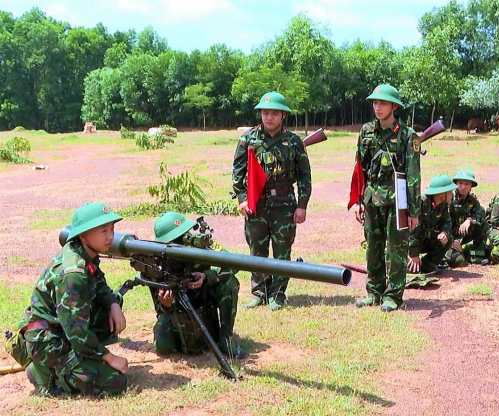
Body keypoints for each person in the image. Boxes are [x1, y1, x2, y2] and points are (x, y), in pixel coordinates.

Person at [13, 203, 129, 396]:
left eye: (112, 229)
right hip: (48, 340)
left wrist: (114, 305)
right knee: (116, 381)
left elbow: (99, 283)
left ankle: (76, 360)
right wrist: (108, 357)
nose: (110, 236)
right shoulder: (73, 273)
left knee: (108, 305)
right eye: (103, 231)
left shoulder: (86, 252)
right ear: (83, 235)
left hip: (63, 329)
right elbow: (77, 332)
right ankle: (46, 371)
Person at [231, 91, 312, 310]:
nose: (269, 117)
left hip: (284, 203)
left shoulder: (294, 141)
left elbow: (305, 175)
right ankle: (259, 292)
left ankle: (278, 294)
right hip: (257, 202)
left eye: (274, 113)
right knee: (256, 249)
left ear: (283, 115)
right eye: (266, 113)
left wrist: (302, 205)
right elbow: (238, 172)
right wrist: (242, 199)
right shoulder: (248, 139)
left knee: (282, 249)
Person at [353, 84, 421, 312]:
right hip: (372, 198)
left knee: (396, 249)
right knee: (373, 247)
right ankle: (374, 292)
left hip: (397, 199)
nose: (378, 107)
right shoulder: (366, 132)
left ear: (394, 106)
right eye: (375, 102)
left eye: (382, 103)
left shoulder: (407, 135)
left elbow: (413, 175)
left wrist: (413, 211)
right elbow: (359, 169)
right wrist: (357, 200)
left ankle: (393, 295)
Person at [150, 212, 244, 359]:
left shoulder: (201, 244)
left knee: (229, 283)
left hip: (202, 293)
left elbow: (233, 264)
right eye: (177, 239)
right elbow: (159, 306)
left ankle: (226, 338)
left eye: (184, 235)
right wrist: (166, 305)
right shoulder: (157, 261)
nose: (183, 241)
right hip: (176, 305)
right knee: (163, 347)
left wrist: (207, 275)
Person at [408, 175, 456, 274]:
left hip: (425, 240)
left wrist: (444, 232)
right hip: (409, 244)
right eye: (450, 192)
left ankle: (428, 266)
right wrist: (413, 254)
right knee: (406, 271)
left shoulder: (443, 205)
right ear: (442, 194)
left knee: (448, 239)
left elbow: (446, 222)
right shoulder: (420, 203)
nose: (452, 194)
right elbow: (410, 230)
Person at [445, 168, 489, 267]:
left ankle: (476, 255)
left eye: (466, 184)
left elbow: (481, 214)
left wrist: (469, 220)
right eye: (460, 183)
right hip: (448, 236)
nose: (463, 187)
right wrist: (451, 241)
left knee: (483, 224)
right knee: (458, 261)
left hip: (463, 234)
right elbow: (442, 223)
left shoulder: (472, 200)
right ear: (456, 184)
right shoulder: (449, 198)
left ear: (471, 186)